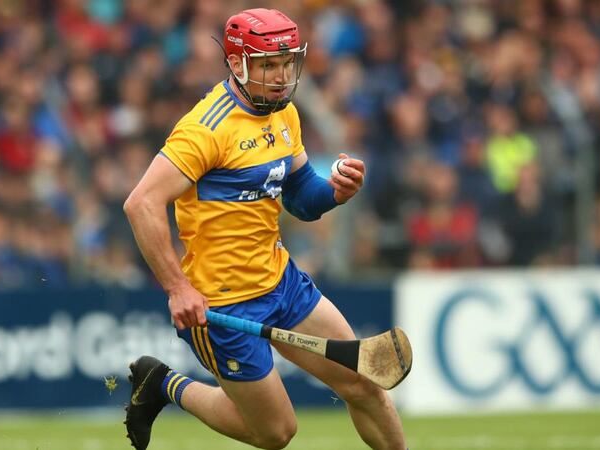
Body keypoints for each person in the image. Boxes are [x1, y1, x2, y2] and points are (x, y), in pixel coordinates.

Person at [123, 8, 406, 450]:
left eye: (287, 63)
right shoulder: (205, 129)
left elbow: (300, 197)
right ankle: (164, 384)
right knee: (276, 432)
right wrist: (177, 288)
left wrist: (335, 192)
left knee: (364, 384)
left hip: (282, 283)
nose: (281, 76)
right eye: (268, 65)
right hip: (224, 305)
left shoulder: (284, 113)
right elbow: (141, 203)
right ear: (238, 64)